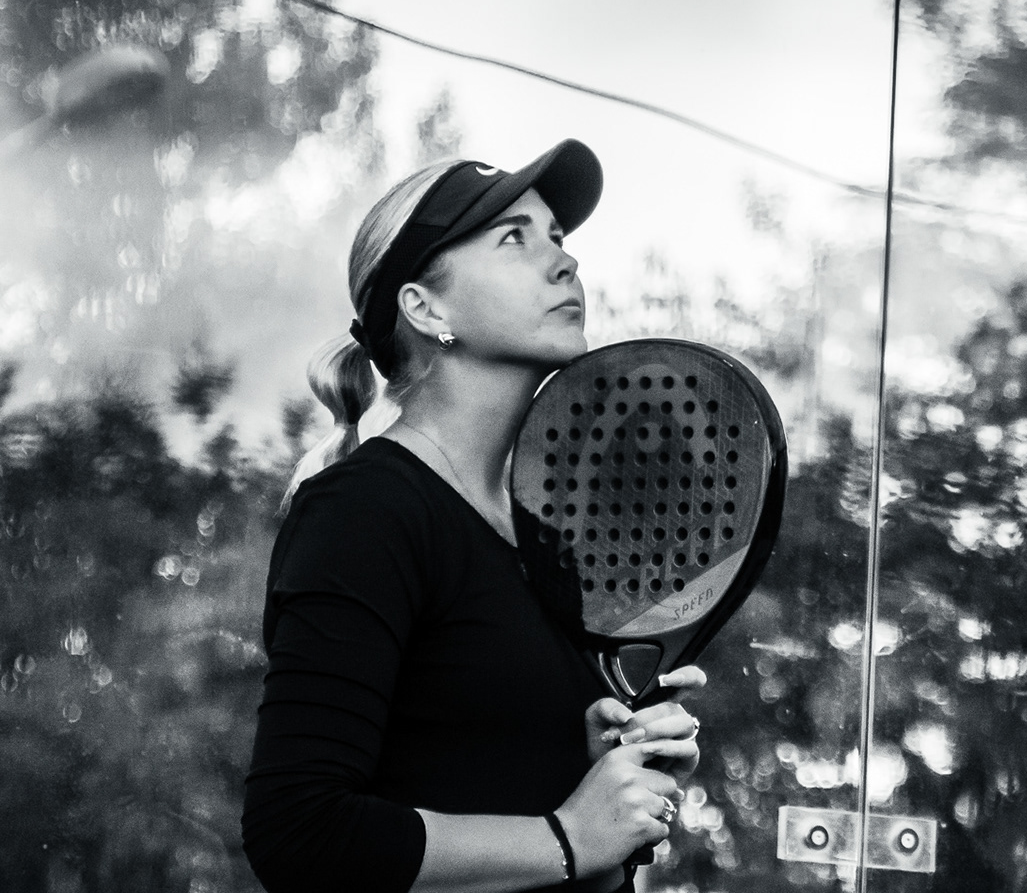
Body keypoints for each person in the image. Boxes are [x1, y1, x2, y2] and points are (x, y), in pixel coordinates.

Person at [243, 140, 700, 893]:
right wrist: (568, 837)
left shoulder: (547, 542)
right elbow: (299, 831)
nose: (564, 262)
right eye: (514, 238)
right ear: (426, 308)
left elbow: (532, 827)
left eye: (557, 236)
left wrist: (604, 792)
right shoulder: (365, 512)